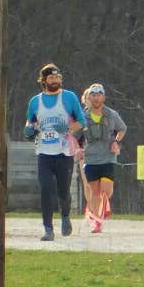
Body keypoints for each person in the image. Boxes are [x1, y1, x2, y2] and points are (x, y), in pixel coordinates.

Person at [23, 63, 86, 241]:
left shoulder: (69, 97)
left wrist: (67, 127)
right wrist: (29, 131)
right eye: (51, 78)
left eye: (57, 78)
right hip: (44, 152)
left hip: (64, 152)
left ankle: (65, 214)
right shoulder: (35, 102)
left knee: (63, 191)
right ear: (43, 80)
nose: (55, 81)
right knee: (45, 189)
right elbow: (30, 123)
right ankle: (48, 229)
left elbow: (81, 122)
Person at [81, 83, 127, 232]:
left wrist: (116, 141)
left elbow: (122, 129)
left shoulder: (111, 114)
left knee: (106, 191)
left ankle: (102, 207)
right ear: (89, 97)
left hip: (108, 157)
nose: (96, 98)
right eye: (93, 95)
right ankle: (97, 221)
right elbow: (75, 135)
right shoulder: (83, 116)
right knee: (94, 192)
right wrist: (76, 148)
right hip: (91, 158)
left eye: (99, 95)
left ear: (104, 97)